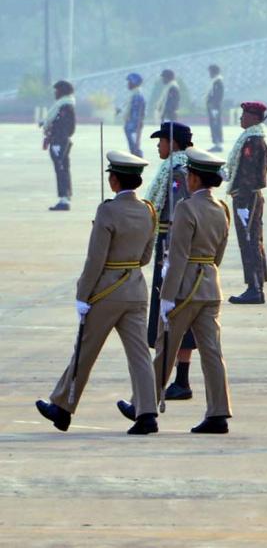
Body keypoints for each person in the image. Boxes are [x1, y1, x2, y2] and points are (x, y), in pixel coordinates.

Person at [36, 150, 159, 435]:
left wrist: (83, 294)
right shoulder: (149, 210)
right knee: (140, 355)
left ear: (114, 180)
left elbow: (95, 258)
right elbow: (145, 258)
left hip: (107, 289)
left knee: (85, 351)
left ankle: (63, 408)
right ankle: (147, 414)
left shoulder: (107, 211)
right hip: (136, 288)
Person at [145, 147, 233, 434]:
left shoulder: (186, 207)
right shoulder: (222, 208)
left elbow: (179, 255)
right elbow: (218, 253)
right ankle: (218, 412)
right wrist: (205, 272)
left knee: (165, 348)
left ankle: (143, 406)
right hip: (210, 284)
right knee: (212, 353)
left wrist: (167, 295)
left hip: (184, 289)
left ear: (194, 179)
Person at [145, 121, 195, 401]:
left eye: (161, 140)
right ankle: (178, 378)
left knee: (171, 316)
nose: (158, 145)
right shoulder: (177, 168)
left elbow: (177, 214)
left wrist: (170, 259)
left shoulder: (177, 172)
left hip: (170, 249)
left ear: (173, 144)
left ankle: (178, 380)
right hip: (169, 247)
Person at [225, 102, 267, 304]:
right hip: (247, 197)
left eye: (244, 115)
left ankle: (255, 288)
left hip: (247, 198)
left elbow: (249, 175)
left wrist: (243, 202)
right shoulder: (252, 137)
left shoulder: (252, 141)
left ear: (254, 117)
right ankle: (255, 285)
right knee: (252, 241)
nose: (240, 118)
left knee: (249, 242)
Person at [40, 80, 76, 211]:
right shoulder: (63, 106)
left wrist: (55, 136)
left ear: (62, 91)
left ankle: (64, 199)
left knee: (61, 170)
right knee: (62, 169)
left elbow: (68, 128)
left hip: (59, 142)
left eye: (57, 90)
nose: (55, 93)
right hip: (59, 141)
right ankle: (64, 197)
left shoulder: (65, 106)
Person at [119, 72, 146, 158]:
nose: (128, 84)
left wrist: (134, 126)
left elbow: (137, 114)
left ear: (134, 83)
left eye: (129, 82)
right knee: (133, 146)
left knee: (135, 147)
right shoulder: (133, 94)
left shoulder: (137, 95)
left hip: (133, 126)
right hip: (131, 125)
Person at [206, 64, 225, 152]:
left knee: (216, 125)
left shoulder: (218, 82)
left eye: (210, 71)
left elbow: (218, 96)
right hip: (213, 107)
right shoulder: (215, 82)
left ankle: (218, 144)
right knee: (214, 125)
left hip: (215, 107)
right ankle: (216, 144)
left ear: (214, 72)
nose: (209, 74)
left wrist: (213, 105)